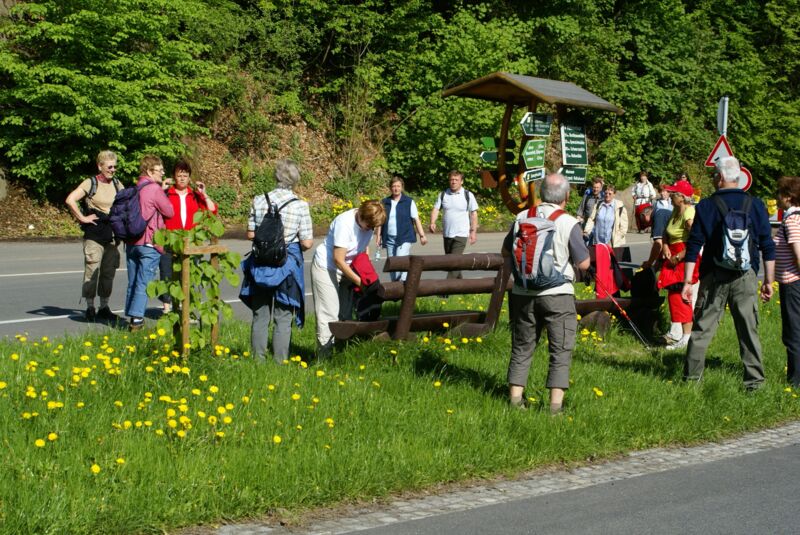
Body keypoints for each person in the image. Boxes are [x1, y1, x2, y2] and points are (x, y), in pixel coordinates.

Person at [681, 156, 775, 390]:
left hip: (713, 276)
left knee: (702, 329)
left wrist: (687, 282)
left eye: (714, 175)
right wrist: (769, 282)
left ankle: (692, 381)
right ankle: (755, 382)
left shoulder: (705, 206)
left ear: (720, 178)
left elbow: (694, 246)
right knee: (748, 329)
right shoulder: (756, 205)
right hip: (745, 276)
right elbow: (767, 245)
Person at [503, 173, 590, 414]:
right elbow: (583, 264)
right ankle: (554, 408)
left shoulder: (521, 217)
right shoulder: (568, 222)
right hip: (557, 294)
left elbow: (505, 251)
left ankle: (515, 401)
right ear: (567, 196)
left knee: (522, 346)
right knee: (560, 348)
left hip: (522, 292)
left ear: (541, 194)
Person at [241, 159, 313, 363]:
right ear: (295, 180)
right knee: (283, 315)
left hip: (260, 264)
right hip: (286, 264)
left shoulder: (258, 200)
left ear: (276, 176)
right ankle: (280, 361)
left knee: (260, 314)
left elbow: (249, 234)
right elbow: (307, 242)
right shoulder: (300, 205)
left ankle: (258, 360)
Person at [312, 200, 386, 355]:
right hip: (328, 267)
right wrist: (359, 282)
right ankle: (325, 356)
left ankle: (341, 352)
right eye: (370, 226)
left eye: (374, 227)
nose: (371, 230)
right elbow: (338, 259)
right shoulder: (344, 224)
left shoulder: (368, 223)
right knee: (329, 313)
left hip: (349, 268)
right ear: (361, 217)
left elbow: (362, 249)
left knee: (345, 314)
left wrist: (366, 274)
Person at [65, 150, 123, 322]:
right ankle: (90, 308)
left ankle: (104, 307)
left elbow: (127, 202)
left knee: (108, 272)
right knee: (92, 271)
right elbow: (70, 200)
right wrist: (82, 218)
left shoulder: (117, 184)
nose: (113, 170)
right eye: (109, 167)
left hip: (112, 235)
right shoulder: (91, 183)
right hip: (94, 234)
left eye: (115, 167)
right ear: (100, 166)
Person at [159, 159, 218, 314]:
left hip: (191, 241)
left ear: (189, 177)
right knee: (167, 273)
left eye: (185, 175)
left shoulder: (195, 195)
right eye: (179, 175)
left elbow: (212, 211)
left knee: (189, 275)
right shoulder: (167, 193)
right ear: (174, 177)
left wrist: (204, 194)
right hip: (170, 240)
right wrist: (161, 189)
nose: (182, 178)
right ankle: (167, 307)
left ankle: (186, 308)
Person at [124, 155, 174, 331]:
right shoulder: (154, 189)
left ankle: (131, 315)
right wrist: (163, 190)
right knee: (143, 282)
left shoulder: (135, 187)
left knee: (133, 281)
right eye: (160, 170)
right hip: (149, 242)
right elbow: (169, 211)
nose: (163, 173)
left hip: (131, 243)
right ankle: (137, 320)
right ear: (149, 171)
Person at [657, 180, 699, 350]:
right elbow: (666, 234)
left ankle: (687, 337)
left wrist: (679, 256)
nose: (671, 195)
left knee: (682, 296)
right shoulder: (675, 211)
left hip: (683, 259)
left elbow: (694, 239)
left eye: (674, 193)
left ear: (681, 197)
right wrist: (666, 247)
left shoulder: (689, 213)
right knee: (674, 296)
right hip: (673, 255)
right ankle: (681, 335)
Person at [639, 204, 684, 344]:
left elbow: (658, 244)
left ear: (646, 215)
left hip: (676, 259)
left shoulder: (657, 216)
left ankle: (675, 332)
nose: (644, 223)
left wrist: (650, 263)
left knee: (675, 294)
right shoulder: (665, 212)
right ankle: (680, 331)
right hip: (677, 257)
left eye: (642, 220)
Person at [429, 170, 479, 279]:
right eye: (451, 179)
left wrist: (473, 232)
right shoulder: (443, 194)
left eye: (456, 180)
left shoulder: (468, 195)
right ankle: (462, 287)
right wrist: (432, 222)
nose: (453, 182)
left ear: (461, 181)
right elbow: (436, 209)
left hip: (461, 234)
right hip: (447, 234)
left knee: (454, 262)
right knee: (451, 263)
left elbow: (473, 214)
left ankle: (445, 291)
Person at [774, 176, 800, 386]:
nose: (777, 198)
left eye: (779, 194)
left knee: (793, 333)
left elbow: (798, 255)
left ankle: (795, 381)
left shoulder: (792, 221)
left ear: (789, 197)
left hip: (792, 283)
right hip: (791, 282)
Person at [377, 177, 428, 281]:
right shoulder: (385, 202)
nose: (396, 188)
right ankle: (395, 286)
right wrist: (378, 236)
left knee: (401, 259)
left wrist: (422, 235)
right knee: (392, 262)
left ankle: (404, 284)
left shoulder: (408, 202)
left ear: (402, 187)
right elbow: (380, 221)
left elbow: (416, 219)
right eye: (394, 186)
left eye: (398, 186)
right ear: (390, 188)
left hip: (405, 237)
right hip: (389, 238)